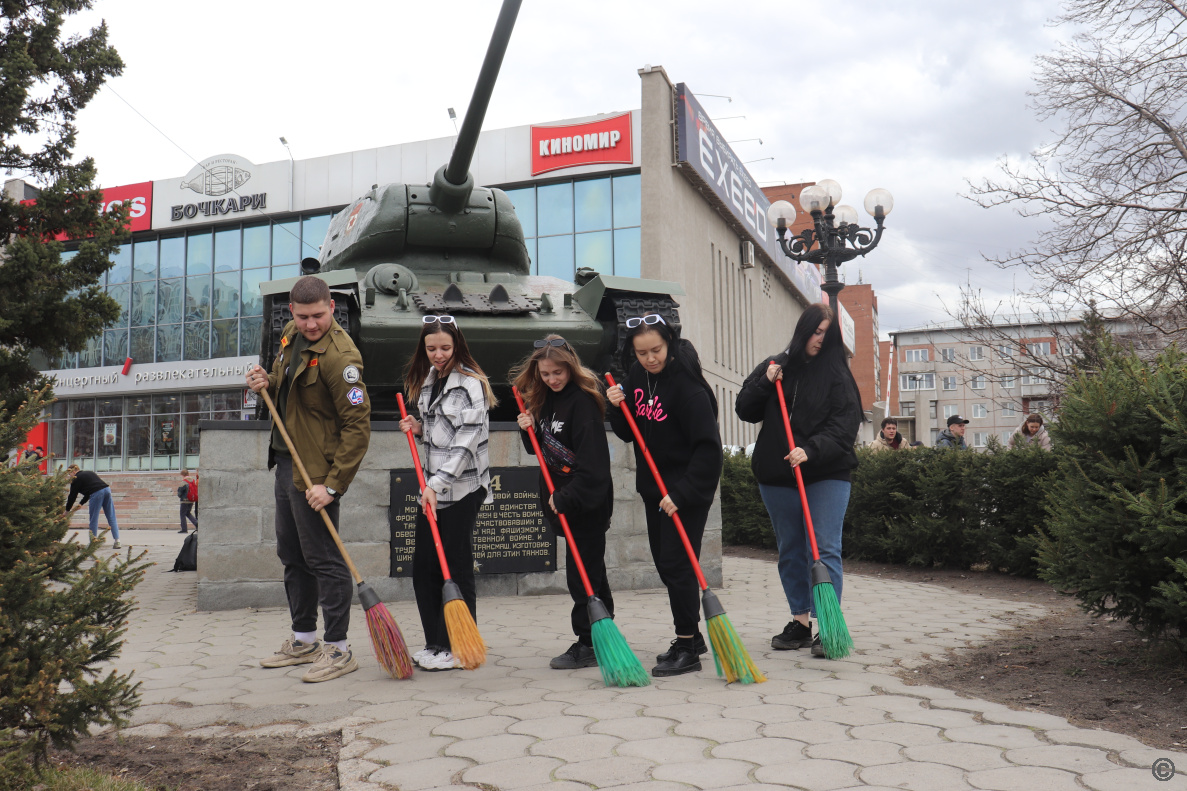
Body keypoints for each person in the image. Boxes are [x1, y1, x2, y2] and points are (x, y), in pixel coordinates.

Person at [245, 275, 371, 683]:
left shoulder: (341, 358)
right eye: (302, 317)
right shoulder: (288, 333)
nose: (310, 325)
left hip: (317, 474)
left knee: (325, 561)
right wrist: (267, 381)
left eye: (317, 316)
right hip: (285, 462)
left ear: (332, 307)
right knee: (292, 557)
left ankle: (338, 649)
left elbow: (358, 428)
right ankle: (304, 640)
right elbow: (288, 386)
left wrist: (332, 486)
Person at [735, 303, 863, 658]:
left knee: (823, 549)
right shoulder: (777, 365)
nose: (820, 339)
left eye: (827, 332)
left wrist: (811, 449)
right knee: (791, 550)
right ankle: (800, 622)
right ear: (803, 331)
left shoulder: (838, 374)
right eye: (815, 331)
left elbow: (844, 427)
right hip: (778, 476)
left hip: (825, 474)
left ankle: (828, 626)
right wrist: (765, 382)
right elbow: (744, 408)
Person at [607, 314, 722, 677]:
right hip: (655, 491)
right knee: (665, 563)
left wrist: (682, 492)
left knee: (676, 563)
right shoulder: (638, 379)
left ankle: (687, 646)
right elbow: (629, 432)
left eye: (655, 350)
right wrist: (615, 404)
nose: (649, 359)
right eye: (641, 353)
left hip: (686, 490)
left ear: (669, 343)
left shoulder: (689, 389)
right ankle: (692, 637)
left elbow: (709, 452)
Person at [511, 334, 614, 670]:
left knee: (580, 575)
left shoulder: (583, 404)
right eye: (545, 374)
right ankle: (605, 633)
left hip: (585, 502)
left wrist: (567, 496)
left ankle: (588, 642)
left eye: (558, 372)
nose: (552, 379)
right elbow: (539, 451)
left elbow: (595, 466)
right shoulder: (544, 401)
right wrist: (528, 430)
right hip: (564, 499)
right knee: (591, 570)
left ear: (570, 368)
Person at [399, 315, 495, 672]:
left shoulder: (471, 385)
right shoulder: (429, 379)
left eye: (445, 348)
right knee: (424, 566)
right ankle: (435, 643)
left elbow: (465, 445)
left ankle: (458, 645)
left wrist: (435, 485)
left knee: (454, 567)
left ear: (458, 345)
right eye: (431, 348)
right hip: (433, 489)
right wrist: (419, 427)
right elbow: (442, 432)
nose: (438, 355)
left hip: (462, 487)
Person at [65, 465, 121, 549]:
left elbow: (72, 496)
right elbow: (88, 492)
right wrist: (81, 503)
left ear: (73, 471)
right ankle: (117, 541)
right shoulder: (89, 473)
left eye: (70, 474)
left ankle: (93, 543)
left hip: (97, 493)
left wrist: (67, 510)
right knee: (111, 516)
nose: (70, 476)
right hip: (107, 489)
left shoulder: (76, 478)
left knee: (94, 518)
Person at [177, 468, 199, 534]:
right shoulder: (192, 480)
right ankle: (196, 523)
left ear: (183, 475)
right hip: (191, 500)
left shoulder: (184, 482)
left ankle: (184, 529)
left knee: (182, 514)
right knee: (188, 513)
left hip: (184, 500)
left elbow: (180, 492)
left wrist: (180, 496)